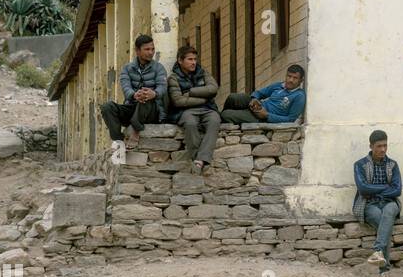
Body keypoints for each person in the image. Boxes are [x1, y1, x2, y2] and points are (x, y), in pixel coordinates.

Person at [353, 129, 402, 277]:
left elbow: (397, 190)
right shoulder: (360, 165)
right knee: (385, 224)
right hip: (369, 204)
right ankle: (383, 272)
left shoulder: (393, 164)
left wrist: (374, 188)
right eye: (379, 146)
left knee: (388, 213)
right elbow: (363, 189)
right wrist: (384, 187)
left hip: (390, 202)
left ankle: (377, 251)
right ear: (371, 146)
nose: (382, 149)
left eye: (385, 146)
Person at [101, 34, 166, 148]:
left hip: (151, 110)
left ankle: (135, 131)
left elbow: (163, 87)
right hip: (132, 107)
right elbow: (126, 87)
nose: (151, 52)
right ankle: (119, 140)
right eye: (147, 49)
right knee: (107, 107)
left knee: (145, 98)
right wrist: (134, 94)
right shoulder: (127, 68)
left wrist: (153, 93)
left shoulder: (159, 68)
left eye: (152, 49)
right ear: (137, 50)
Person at [166, 44, 221, 174]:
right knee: (190, 123)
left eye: (195, 59)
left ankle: (200, 159)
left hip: (208, 108)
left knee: (215, 121)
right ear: (180, 60)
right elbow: (178, 101)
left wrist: (191, 92)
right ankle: (199, 159)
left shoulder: (203, 73)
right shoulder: (173, 78)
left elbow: (213, 89)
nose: (193, 62)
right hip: (186, 111)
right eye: (190, 59)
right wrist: (204, 97)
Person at [221, 65, 306, 124]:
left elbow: (290, 119)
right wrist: (255, 98)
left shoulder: (299, 96)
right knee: (233, 97)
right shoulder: (279, 85)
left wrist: (267, 115)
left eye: (295, 78)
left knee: (226, 114)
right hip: (258, 106)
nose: (290, 80)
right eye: (289, 76)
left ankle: (224, 118)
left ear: (301, 80)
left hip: (262, 118)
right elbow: (259, 93)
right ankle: (224, 120)